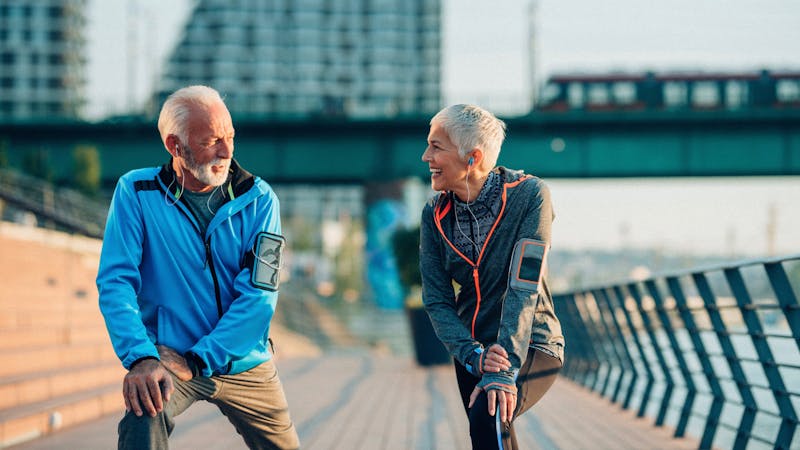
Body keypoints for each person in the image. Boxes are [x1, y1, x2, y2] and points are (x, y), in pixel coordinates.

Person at [96, 85, 300, 450]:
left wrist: (200, 359)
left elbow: (260, 295)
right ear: (176, 146)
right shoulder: (136, 192)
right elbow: (116, 282)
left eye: (230, 137)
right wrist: (141, 356)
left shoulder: (260, 199)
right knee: (143, 415)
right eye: (211, 141)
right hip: (170, 358)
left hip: (244, 361)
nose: (226, 151)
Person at [419, 104, 565, 449]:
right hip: (473, 350)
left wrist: (504, 365)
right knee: (493, 434)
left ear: (472, 157)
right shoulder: (435, 213)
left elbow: (524, 282)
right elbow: (437, 299)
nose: (426, 156)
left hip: (532, 341)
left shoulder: (530, 196)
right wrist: (473, 354)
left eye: (436, 146)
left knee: (489, 415)